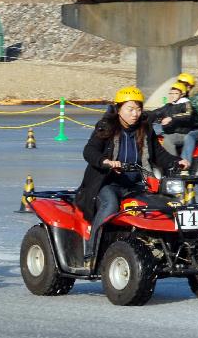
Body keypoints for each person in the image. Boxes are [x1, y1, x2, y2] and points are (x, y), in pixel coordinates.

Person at [75, 86, 189, 267]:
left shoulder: (145, 128)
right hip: (106, 183)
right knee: (110, 205)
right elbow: (89, 151)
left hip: (136, 184)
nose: (135, 114)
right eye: (130, 109)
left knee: (161, 206)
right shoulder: (106, 126)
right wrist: (105, 162)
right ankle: (91, 252)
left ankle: (165, 251)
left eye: (138, 108)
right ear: (118, 109)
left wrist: (176, 162)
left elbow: (158, 154)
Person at [174, 72, 198, 163]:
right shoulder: (181, 96)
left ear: (189, 86)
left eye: (182, 85)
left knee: (189, 137)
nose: (180, 87)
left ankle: (185, 163)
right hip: (186, 127)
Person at [149, 82, 195, 160]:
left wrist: (171, 118)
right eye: (171, 93)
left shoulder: (186, 104)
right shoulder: (168, 106)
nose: (172, 95)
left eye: (176, 93)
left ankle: (174, 164)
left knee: (168, 140)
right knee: (152, 138)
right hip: (168, 133)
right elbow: (157, 112)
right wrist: (143, 116)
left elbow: (188, 115)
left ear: (182, 94)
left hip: (182, 134)